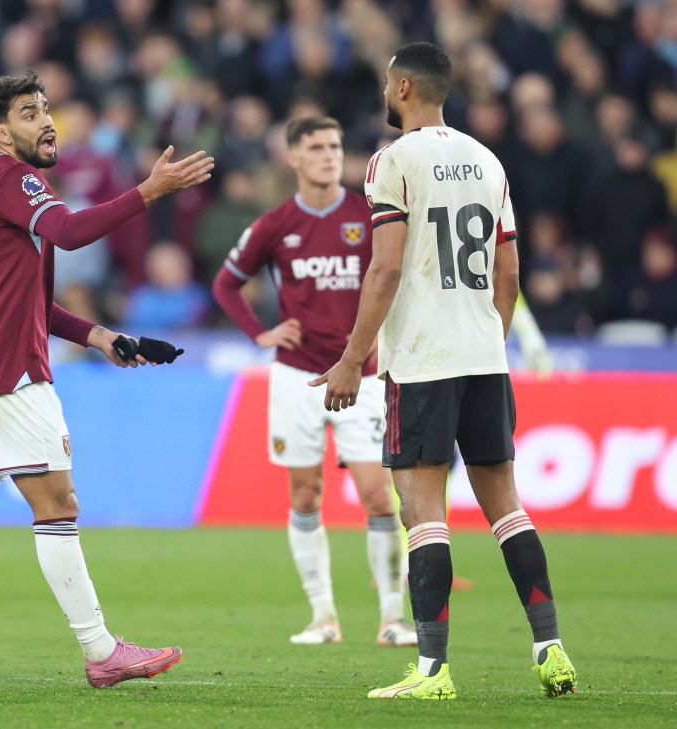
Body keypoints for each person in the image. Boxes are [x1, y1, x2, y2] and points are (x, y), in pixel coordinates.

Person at [0, 70, 213, 690]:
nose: (45, 120)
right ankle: (101, 651)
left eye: (45, 109)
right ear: (0, 131)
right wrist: (148, 190)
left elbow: (33, 300)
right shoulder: (18, 181)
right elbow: (70, 234)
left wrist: (100, 337)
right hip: (10, 376)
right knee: (58, 505)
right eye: (27, 112)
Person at [310, 43, 577, 699]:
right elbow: (508, 274)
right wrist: (487, 335)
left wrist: (351, 357)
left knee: (423, 510)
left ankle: (431, 669)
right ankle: (550, 648)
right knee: (506, 506)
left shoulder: (391, 161)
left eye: (384, 82)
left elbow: (387, 267)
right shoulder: (488, 161)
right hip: (484, 357)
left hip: (424, 362)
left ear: (402, 88)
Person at [212, 116, 416, 648]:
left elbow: (398, 278)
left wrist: (382, 335)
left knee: (377, 495)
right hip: (296, 377)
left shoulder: (366, 214)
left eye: (335, 145)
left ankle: (392, 616)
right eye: (318, 147)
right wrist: (261, 333)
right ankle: (323, 616)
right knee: (305, 494)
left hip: (364, 376)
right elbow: (227, 284)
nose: (330, 155)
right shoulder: (275, 223)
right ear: (294, 158)